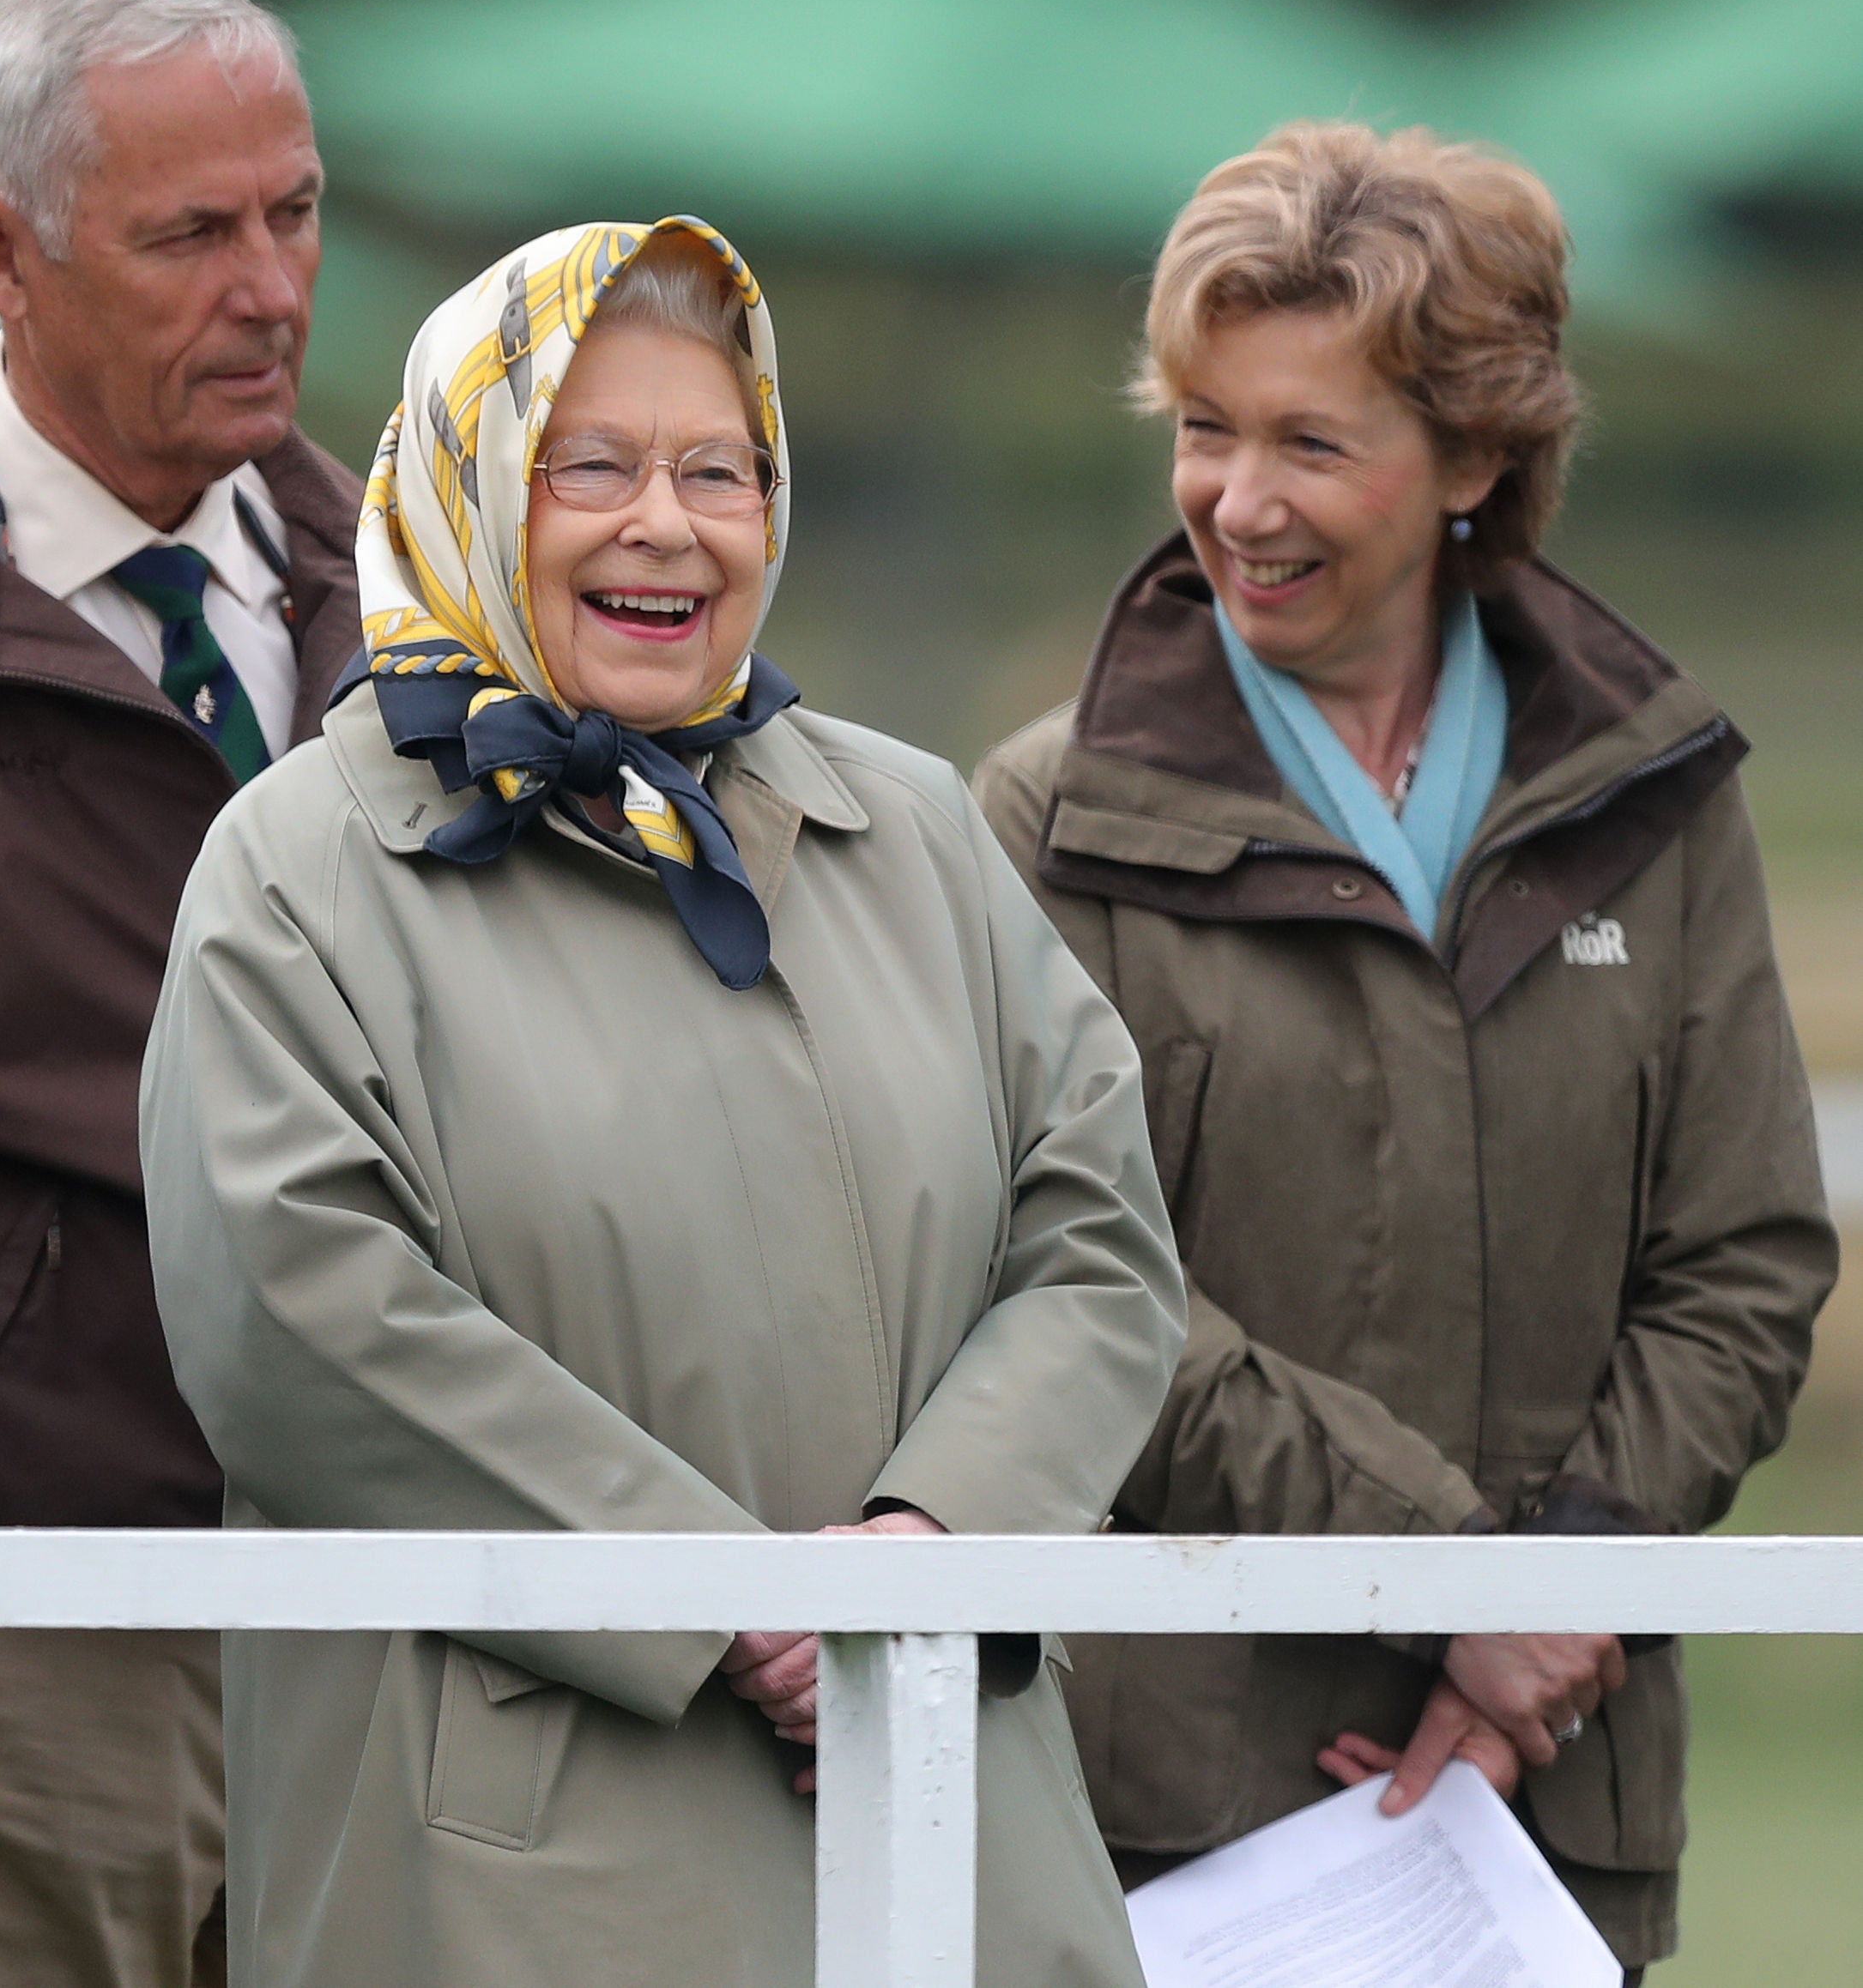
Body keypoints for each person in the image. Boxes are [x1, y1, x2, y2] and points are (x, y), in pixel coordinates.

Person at [137, 217, 1187, 1988]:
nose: (666, 522)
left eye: (721, 468)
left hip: (941, 1831)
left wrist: (930, 1550)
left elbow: (1095, 1238)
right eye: (590, 464)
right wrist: (731, 1600)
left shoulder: (915, 829)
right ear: (467, 479)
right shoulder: (300, 866)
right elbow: (296, 1314)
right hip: (506, 1876)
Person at [974, 122, 1836, 1981]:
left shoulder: (1655, 798)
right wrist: (1450, 1577)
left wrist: (1556, 1608)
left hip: (1548, 1806)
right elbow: (1067, 1283)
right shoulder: (1047, 824)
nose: (1237, 501)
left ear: (1472, 458)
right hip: (1160, 1823)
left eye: (1313, 442)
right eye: (1206, 427)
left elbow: (1743, 1261)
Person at [0, 0, 361, 1987]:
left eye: (292, 211)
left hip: (397, 1619)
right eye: (190, 233)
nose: (272, 285)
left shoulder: (432, 606)